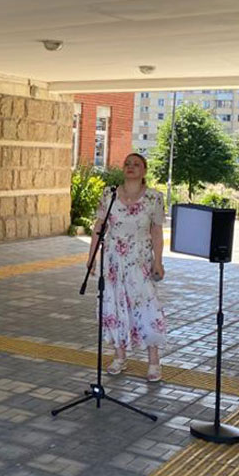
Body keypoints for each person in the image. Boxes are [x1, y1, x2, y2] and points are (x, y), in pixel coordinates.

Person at [87, 152, 166, 383]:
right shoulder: (109, 194)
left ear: (144, 171)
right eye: (127, 163)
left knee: (147, 305)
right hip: (113, 261)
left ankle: (153, 361)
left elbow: (156, 231)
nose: (131, 167)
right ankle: (119, 356)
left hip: (139, 260)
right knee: (114, 305)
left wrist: (158, 261)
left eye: (136, 164)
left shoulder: (154, 198)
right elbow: (99, 226)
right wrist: (91, 257)